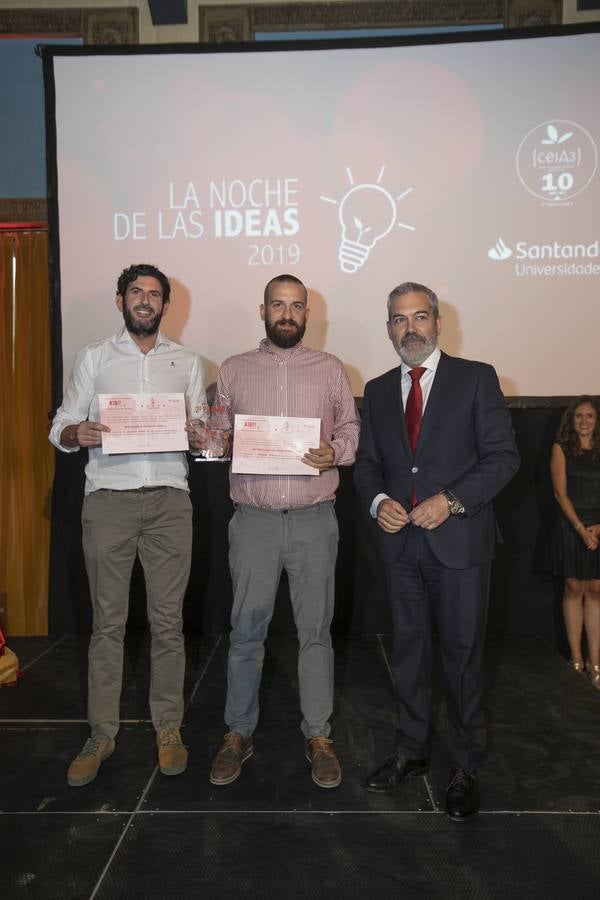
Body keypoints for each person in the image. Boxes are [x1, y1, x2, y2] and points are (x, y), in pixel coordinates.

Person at [354, 281, 519, 821]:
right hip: (401, 548)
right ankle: (411, 749)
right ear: (388, 329)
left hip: (461, 544)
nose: (410, 329)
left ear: (438, 322)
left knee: (464, 656)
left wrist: (451, 501)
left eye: (419, 317)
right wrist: (379, 500)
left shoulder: (476, 378)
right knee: (406, 655)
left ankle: (464, 765)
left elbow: (502, 458)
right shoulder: (378, 390)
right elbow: (369, 465)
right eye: (399, 320)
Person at [49, 263, 207, 786]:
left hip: (169, 501)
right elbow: (60, 426)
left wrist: (200, 432)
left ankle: (168, 727)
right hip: (108, 502)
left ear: (166, 305)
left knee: (168, 624)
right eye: (136, 292)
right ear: (120, 300)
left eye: (154, 294)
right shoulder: (93, 357)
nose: (145, 301)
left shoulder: (187, 362)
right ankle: (102, 732)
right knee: (107, 625)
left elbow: (204, 431)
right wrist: (79, 432)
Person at [208, 274, 360, 789]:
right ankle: (237, 732)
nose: (287, 314)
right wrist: (208, 435)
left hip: (315, 521)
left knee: (315, 633)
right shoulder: (232, 371)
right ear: (263, 310)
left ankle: (318, 735)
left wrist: (335, 453)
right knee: (246, 632)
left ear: (307, 314)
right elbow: (216, 434)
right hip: (253, 522)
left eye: (297, 306)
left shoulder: (331, 369)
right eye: (279, 305)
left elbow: (350, 429)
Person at [550, 396, 600, 689]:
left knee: (595, 590)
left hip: (598, 528)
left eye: (589, 416)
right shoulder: (561, 448)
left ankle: (595, 664)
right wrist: (581, 530)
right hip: (572, 527)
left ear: (596, 421)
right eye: (578, 416)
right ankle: (576, 660)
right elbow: (560, 494)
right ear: (571, 420)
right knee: (574, 588)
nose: (583, 421)